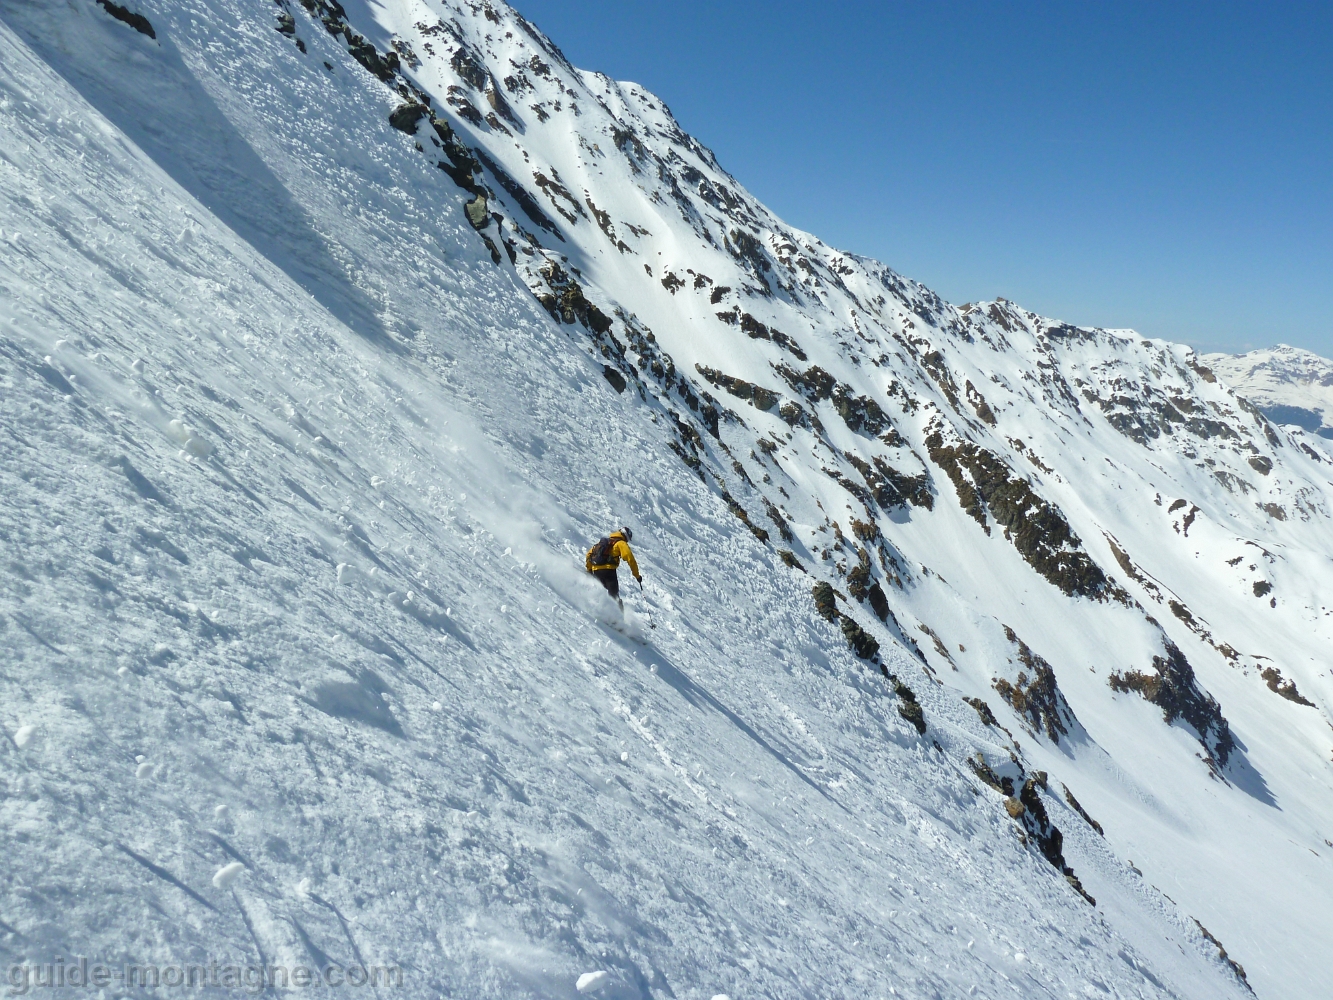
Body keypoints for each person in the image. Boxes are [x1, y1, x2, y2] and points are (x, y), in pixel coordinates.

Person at [586, 526, 641, 608]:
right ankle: (617, 618)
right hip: (609, 572)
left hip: (596, 570)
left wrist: (589, 569)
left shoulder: (603, 543)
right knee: (614, 595)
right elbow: (630, 559)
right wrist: (637, 575)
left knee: (600, 591)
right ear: (625, 536)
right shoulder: (621, 543)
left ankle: (598, 609)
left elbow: (589, 554)